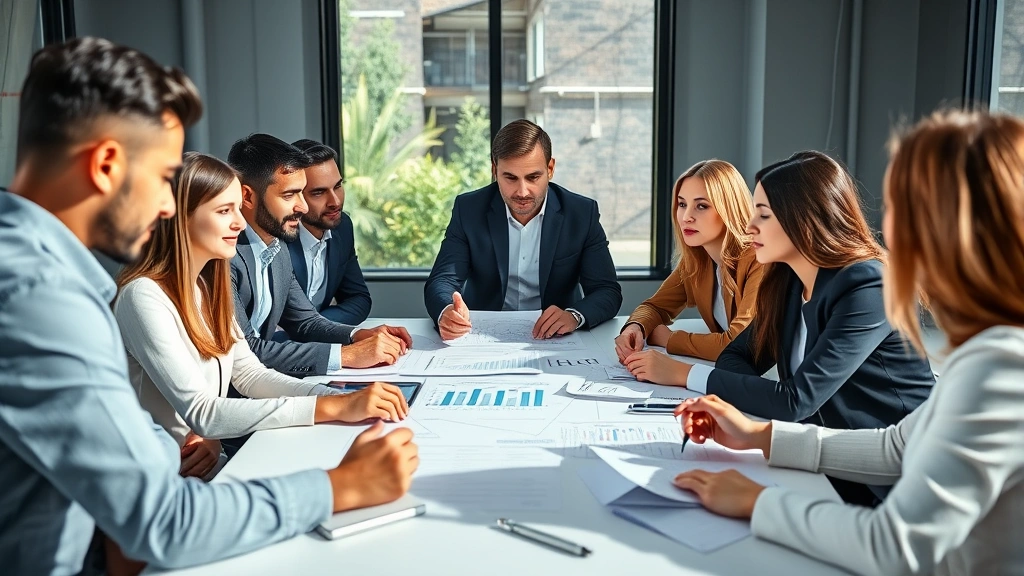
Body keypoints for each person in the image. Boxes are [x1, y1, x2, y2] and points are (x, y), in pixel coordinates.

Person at [0, 37, 417, 576]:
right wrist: (341, 486)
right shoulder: (41, 299)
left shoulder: (42, 274)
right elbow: (164, 523)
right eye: (162, 179)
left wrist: (157, 448)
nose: (167, 205)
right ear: (106, 165)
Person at [673, 110, 1024, 576]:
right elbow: (898, 447)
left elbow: (893, 546)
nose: (888, 227)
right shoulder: (986, 351)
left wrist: (760, 503)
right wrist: (758, 435)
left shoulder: (1001, 366)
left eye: (902, 206)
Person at [114, 152, 409, 482]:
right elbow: (202, 412)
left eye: (237, 210)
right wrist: (331, 408)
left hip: (205, 468)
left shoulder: (206, 284)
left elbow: (250, 375)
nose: (240, 223)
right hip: (162, 480)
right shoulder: (143, 296)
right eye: (225, 211)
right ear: (181, 217)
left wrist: (337, 398)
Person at [226, 134, 411, 377]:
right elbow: (245, 351)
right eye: (290, 195)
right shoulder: (224, 254)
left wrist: (357, 336)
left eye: (303, 193)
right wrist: (346, 355)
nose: (302, 207)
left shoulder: (275, 247)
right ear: (247, 196)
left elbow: (306, 322)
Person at [424, 119, 622, 340]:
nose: (522, 191)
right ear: (494, 170)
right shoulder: (469, 209)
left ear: (550, 168)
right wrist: (446, 312)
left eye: (533, 177)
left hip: (556, 337)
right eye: (510, 177)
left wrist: (574, 316)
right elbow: (442, 280)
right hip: (481, 335)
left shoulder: (581, 213)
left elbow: (607, 290)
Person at [614, 159, 762, 364]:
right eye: (682, 204)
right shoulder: (697, 260)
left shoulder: (759, 259)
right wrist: (635, 327)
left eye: (701, 206)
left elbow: (738, 344)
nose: (686, 217)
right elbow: (656, 307)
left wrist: (669, 339)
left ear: (729, 209)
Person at [286, 138, 371, 325]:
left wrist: (315, 327)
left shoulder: (342, 227)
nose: (336, 202)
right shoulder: (278, 238)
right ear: (295, 196)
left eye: (338, 186)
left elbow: (359, 300)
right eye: (318, 192)